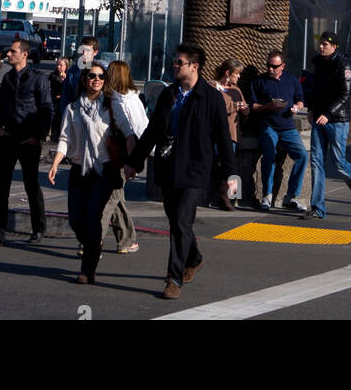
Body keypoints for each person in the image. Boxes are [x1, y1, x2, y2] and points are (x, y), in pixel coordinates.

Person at [124, 42, 236, 300]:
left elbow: (222, 136)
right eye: (174, 61)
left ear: (194, 66)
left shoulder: (211, 97)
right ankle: (194, 258)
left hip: (196, 169)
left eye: (180, 62)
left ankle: (173, 279)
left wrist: (231, 174)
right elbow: (152, 131)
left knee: (181, 222)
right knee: (177, 222)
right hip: (168, 166)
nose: (174, 65)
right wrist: (134, 161)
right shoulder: (169, 94)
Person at [48, 62, 133, 284]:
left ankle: (88, 269)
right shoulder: (72, 108)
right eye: (92, 76)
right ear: (84, 80)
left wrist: (133, 162)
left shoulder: (111, 106)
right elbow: (65, 139)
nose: (97, 79)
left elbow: (129, 132)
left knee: (94, 218)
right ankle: (94, 244)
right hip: (79, 168)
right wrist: (56, 163)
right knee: (76, 219)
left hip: (103, 169)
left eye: (101, 76)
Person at [0, 38, 52, 247]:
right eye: (8, 51)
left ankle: (38, 228)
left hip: (28, 140)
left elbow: (47, 109)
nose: (8, 54)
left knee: (31, 185)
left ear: (24, 54)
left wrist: (37, 136)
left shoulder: (38, 78)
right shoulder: (8, 78)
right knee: (2, 186)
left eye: (13, 51)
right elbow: (0, 105)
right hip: (8, 138)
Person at [306, 32, 351, 220]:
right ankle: (318, 208)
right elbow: (314, 89)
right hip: (319, 118)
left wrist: (328, 113)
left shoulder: (343, 63)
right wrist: (312, 109)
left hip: (337, 120)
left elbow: (345, 93)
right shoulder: (318, 62)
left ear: (334, 47)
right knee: (316, 162)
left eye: (325, 44)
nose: (321, 47)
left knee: (339, 163)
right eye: (320, 43)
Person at [249, 49, 307, 212]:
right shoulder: (259, 81)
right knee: (270, 156)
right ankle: (267, 195)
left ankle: (291, 196)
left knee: (302, 155)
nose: (270, 69)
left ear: (283, 66)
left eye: (274, 66)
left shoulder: (291, 80)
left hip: (287, 125)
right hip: (268, 125)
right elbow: (252, 106)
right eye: (268, 65)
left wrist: (297, 107)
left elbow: (300, 100)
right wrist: (268, 106)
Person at [102, 60, 148, 253]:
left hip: (112, 154)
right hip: (124, 154)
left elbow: (131, 133)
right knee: (114, 196)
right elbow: (141, 128)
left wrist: (132, 162)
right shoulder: (131, 99)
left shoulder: (111, 100)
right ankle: (122, 239)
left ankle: (120, 239)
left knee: (114, 197)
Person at [213, 58, 248, 211]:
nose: (238, 77)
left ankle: (230, 198)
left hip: (232, 133)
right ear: (227, 73)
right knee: (221, 164)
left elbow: (243, 108)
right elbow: (217, 107)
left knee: (230, 164)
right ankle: (222, 197)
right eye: (236, 73)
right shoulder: (212, 86)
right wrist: (235, 106)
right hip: (216, 133)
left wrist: (245, 110)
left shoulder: (237, 89)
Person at [60, 36, 100, 116]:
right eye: (82, 50)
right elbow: (66, 97)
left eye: (88, 50)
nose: (84, 53)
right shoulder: (73, 71)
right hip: (76, 117)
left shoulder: (101, 71)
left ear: (95, 52)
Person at [48, 57, 69, 141]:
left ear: (66, 66)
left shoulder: (69, 76)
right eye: (57, 65)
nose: (58, 67)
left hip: (65, 102)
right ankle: (54, 135)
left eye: (61, 65)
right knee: (55, 119)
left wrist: (66, 79)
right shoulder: (53, 76)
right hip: (55, 101)